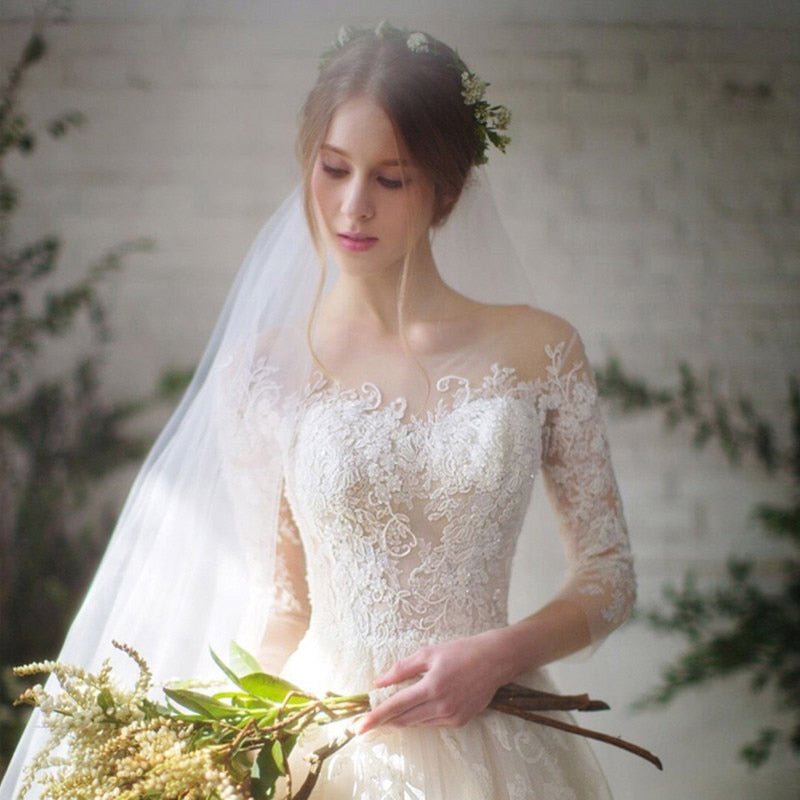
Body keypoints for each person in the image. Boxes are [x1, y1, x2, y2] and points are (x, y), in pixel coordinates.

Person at [1, 23, 635, 800]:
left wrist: (495, 656)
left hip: (502, 736)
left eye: (390, 179)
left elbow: (609, 575)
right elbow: (283, 605)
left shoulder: (540, 348)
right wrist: (211, 751)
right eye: (333, 170)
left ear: (446, 187)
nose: (353, 207)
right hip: (332, 744)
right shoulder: (262, 371)